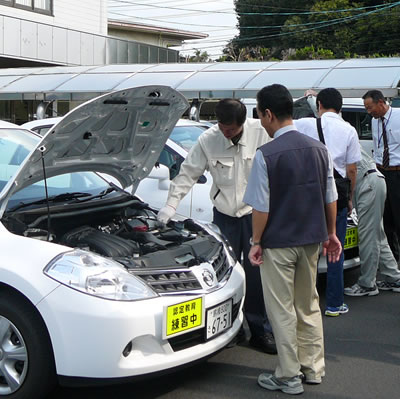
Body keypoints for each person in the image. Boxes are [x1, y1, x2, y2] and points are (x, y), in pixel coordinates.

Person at [157, 99, 277, 354]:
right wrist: (171, 204)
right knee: (224, 274)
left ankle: (259, 329)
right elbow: (188, 173)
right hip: (224, 216)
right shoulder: (209, 139)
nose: (226, 133)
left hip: (254, 214)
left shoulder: (261, 133)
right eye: (222, 128)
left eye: (231, 130)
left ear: (242, 123)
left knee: (256, 274)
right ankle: (230, 327)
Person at [244, 83, 341, 395]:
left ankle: (288, 375)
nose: (260, 121)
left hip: (278, 243)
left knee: (282, 309)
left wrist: (255, 241)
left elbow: (261, 207)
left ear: (269, 114)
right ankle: (313, 369)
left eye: (259, 115)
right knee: (309, 304)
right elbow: (330, 197)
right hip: (312, 241)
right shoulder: (318, 149)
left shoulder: (266, 155)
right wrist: (331, 234)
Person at [294, 88, 361, 317]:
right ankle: (334, 304)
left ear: (319, 104)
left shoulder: (304, 124)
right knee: (335, 250)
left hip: (309, 193)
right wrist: (350, 198)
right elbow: (352, 169)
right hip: (337, 196)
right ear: (340, 107)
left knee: (308, 251)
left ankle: (305, 305)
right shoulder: (349, 130)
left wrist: (307, 97)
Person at [344, 148, 400, 296]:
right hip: (374, 179)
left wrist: (349, 198)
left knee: (368, 235)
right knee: (377, 234)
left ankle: (367, 283)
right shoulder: (340, 131)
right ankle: (393, 276)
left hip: (367, 183)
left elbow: (351, 171)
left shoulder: (325, 135)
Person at [362, 89, 400, 262]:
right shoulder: (375, 121)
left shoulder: (398, 116)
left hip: (397, 173)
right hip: (382, 172)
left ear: (380, 102)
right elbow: (378, 148)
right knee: (386, 220)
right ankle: (392, 260)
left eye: (370, 107)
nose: (369, 112)